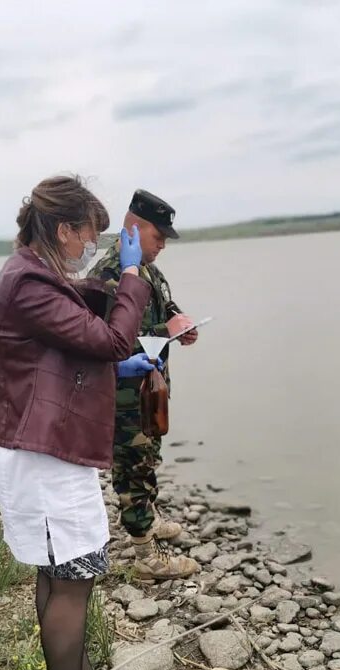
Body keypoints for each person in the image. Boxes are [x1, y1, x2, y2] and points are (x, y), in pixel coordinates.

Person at [0, 174, 155, 670]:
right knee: (72, 576)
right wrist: (131, 274)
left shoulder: (33, 273)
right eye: (87, 237)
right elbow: (109, 340)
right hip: (40, 453)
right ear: (61, 228)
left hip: (38, 446)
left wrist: (109, 365)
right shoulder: (28, 280)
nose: (90, 249)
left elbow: (75, 339)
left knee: (60, 572)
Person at [89, 189, 200, 580]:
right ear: (136, 226)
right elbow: (102, 341)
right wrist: (160, 330)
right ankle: (145, 556)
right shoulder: (109, 273)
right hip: (122, 394)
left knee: (149, 455)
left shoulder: (147, 268)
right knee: (133, 466)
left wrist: (179, 323)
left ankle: (147, 518)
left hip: (150, 388)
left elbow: (163, 305)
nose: (163, 245)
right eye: (159, 236)